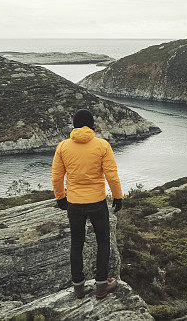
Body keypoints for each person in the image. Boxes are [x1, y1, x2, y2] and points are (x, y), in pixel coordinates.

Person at [52, 109, 124, 299]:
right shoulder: (102, 145)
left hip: (74, 203)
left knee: (76, 244)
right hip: (97, 202)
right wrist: (118, 196)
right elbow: (112, 175)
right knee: (103, 241)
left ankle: (79, 288)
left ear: (74, 125)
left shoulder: (63, 147)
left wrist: (60, 197)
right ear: (91, 124)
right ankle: (101, 286)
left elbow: (57, 177)